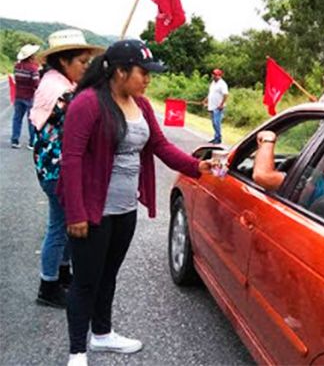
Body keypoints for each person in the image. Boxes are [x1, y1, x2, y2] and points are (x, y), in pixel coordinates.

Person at [57, 39, 212, 366]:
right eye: (144, 72)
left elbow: (160, 145)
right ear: (121, 71)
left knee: (108, 274)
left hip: (124, 210)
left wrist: (197, 166)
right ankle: (77, 352)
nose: (148, 79)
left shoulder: (140, 105)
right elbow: (70, 160)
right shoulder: (87, 103)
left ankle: (102, 334)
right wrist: (76, 213)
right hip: (91, 210)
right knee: (85, 281)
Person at [30, 29, 104, 309]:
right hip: (58, 173)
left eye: (88, 62)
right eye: (82, 62)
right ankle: (47, 286)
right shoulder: (63, 93)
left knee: (61, 226)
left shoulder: (52, 81)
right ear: (64, 62)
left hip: (50, 170)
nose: (86, 67)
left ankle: (61, 276)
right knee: (60, 228)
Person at [11, 43, 40, 149]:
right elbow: (36, 84)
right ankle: (31, 142)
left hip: (18, 96)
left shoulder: (17, 66)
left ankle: (15, 140)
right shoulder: (33, 69)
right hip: (30, 97)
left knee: (17, 118)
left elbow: (15, 79)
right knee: (31, 120)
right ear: (31, 56)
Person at [204, 68, 228, 144]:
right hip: (212, 106)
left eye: (215, 75)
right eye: (213, 74)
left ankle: (218, 138)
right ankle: (216, 137)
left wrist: (221, 104)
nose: (214, 76)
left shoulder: (222, 84)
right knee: (213, 123)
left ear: (219, 76)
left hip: (218, 107)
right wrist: (205, 100)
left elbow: (226, 95)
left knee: (216, 122)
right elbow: (210, 93)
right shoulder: (213, 83)